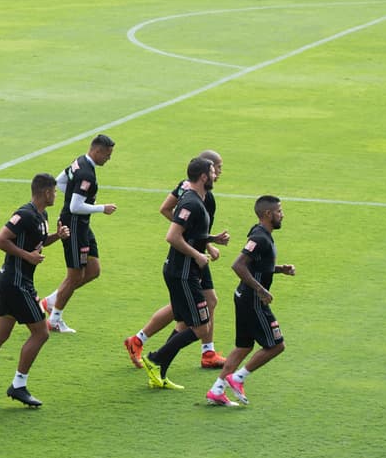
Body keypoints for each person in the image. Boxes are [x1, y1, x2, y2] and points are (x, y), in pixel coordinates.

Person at [0, 172, 66, 408]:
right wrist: (27, 256)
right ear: (45, 192)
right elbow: (0, 240)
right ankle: (19, 385)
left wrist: (56, 237)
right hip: (16, 282)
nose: (56, 194)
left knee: (0, 334)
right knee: (41, 333)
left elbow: (37, 240)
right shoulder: (25, 214)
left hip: (15, 281)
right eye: (54, 191)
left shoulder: (42, 215)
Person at [125, 151, 227, 371]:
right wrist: (190, 240)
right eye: (216, 168)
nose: (219, 173)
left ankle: (189, 352)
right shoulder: (191, 193)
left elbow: (199, 228)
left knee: (206, 301)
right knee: (187, 308)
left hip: (195, 255)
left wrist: (208, 242)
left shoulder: (203, 194)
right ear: (204, 173)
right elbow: (167, 211)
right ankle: (149, 346)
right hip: (188, 259)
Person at [207, 195, 294, 406]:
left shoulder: (261, 233)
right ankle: (237, 378)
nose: (282, 215)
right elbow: (238, 265)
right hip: (253, 299)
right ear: (268, 214)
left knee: (243, 347)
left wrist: (279, 269)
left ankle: (217, 390)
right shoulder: (260, 237)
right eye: (279, 211)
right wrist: (261, 290)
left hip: (244, 297)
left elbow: (257, 265)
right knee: (276, 345)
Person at [43, 134, 118, 333]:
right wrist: (102, 208)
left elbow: (59, 181)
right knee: (75, 275)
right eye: (107, 155)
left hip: (82, 226)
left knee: (93, 270)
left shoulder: (79, 161)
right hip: (74, 227)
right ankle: (54, 319)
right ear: (97, 151)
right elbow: (76, 206)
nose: (108, 159)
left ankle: (51, 301)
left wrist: (69, 198)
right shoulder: (87, 173)